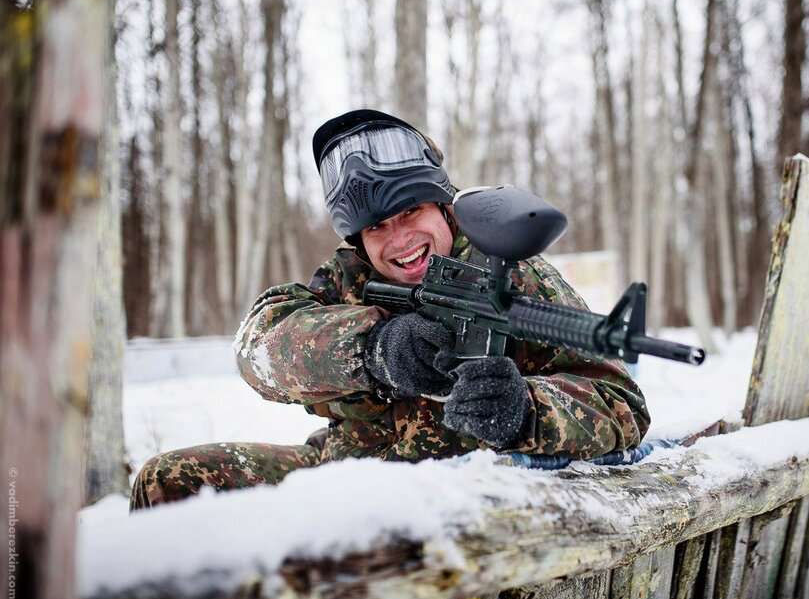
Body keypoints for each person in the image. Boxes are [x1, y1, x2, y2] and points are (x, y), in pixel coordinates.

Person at [130, 109, 650, 510]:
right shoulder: (349, 278)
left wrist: (527, 411)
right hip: (345, 471)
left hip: (464, 494)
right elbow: (258, 349)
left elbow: (622, 405)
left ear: (445, 207)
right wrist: (374, 350)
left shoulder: (510, 272)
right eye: (378, 227)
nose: (400, 240)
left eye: (410, 212)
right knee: (166, 479)